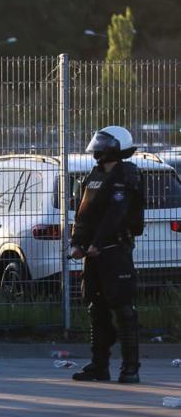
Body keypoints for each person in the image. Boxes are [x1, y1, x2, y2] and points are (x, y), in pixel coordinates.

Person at [70, 126, 145, 384]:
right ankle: (99, 366)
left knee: (123, 308)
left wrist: (98, 243)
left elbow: (117, 214)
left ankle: (130, 368)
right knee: (96, 308)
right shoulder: (95, 175)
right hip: (93, 253)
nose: (98, 147)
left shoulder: (126, 175)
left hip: (114, 251)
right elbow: (83, 212)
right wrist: (77, 242)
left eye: (105, 142)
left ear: (117, 146)